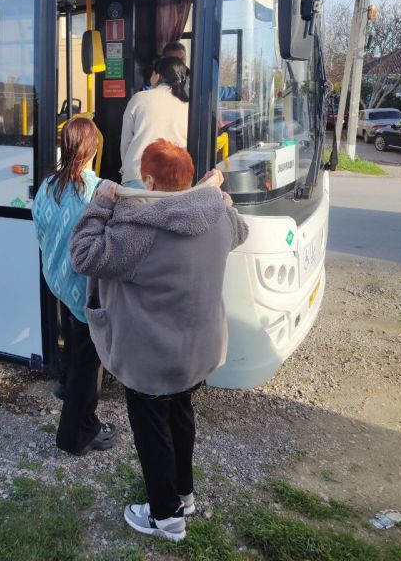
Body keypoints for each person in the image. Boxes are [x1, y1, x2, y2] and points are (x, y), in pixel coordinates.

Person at [70, 140, 248, 542]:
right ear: (187, 178)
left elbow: (82, 254)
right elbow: (240, 228)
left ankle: (165, 518)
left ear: (147, 180)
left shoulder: (138, 230)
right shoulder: (218, 216)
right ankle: (182, 496)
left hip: (150, 356)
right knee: (181, 414)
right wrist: (214, 192)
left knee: (153, 428)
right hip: (197, 350)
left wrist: (99, 202)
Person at [31, 117, 116, 455]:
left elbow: (40, 231)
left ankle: (65, 385)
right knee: (88, 366)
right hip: (84, 293)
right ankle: (77, 434)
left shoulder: (46, 186)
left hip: (57, 282)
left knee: (74, 347)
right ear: (93, 148)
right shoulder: (99, 192)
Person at [120, 56, 189, 187]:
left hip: (138, 176)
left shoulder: (139, 98)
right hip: (174, 178)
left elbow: (126, 142)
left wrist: (127, 169)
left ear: (158, 75)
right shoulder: (188, 105)